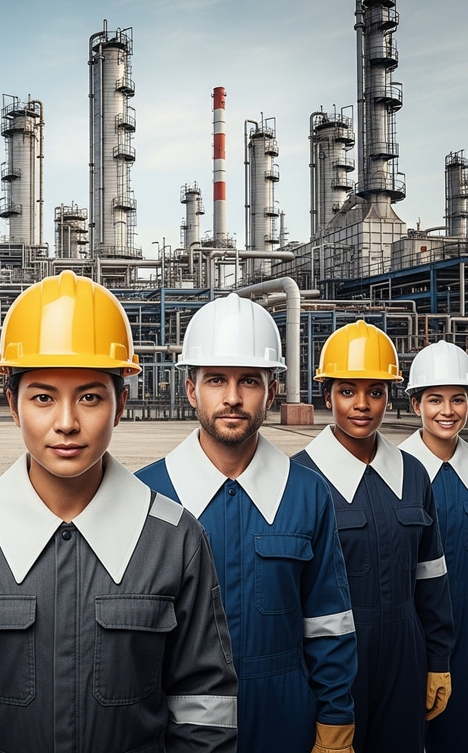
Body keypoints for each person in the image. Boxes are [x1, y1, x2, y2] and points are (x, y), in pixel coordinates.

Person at [0, 271, 239, 753]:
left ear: (120, 406)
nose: (67, 422)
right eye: (43, 397)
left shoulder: (174, 539)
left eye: (91, 397)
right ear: (12, 405)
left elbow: (205, 712)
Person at [137, 293, 357, 753]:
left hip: (284, 720)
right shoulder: (144, 496)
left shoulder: (307, 493)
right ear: (191, 389)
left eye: (250, 382)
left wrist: (336, 719)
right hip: (174, 727)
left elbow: (329, 622)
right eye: (216, 380)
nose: (233, 398)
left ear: (272, 392)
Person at [293, 320, 454, 753]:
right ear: (326, 395)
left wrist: (437, 659)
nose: (362, 405)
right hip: (330, 664)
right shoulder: (297, 479)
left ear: (390, 397)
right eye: (347, 391)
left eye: (376, 391)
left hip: (406, 654)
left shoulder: (413, 473)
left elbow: (431, 576)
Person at [397, 340, 467, 753]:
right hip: (413, 638)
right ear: (415, 403)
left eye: (458, 399)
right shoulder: (393, 470)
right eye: (435, 399)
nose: (447, 410)